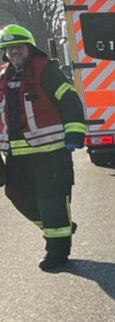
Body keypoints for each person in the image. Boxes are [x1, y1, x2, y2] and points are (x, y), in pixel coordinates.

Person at [0, 24, 86, 270]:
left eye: (19, 46)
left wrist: (75, 132)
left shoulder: (46, 70)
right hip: (16, 155)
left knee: (52, 201)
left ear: (29, 47)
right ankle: (59, 226)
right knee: (16, 195)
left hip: (51, 152)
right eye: (9, 48)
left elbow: (69, 100)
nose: (14, 51)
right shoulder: (2, 76)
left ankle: (57, 253)